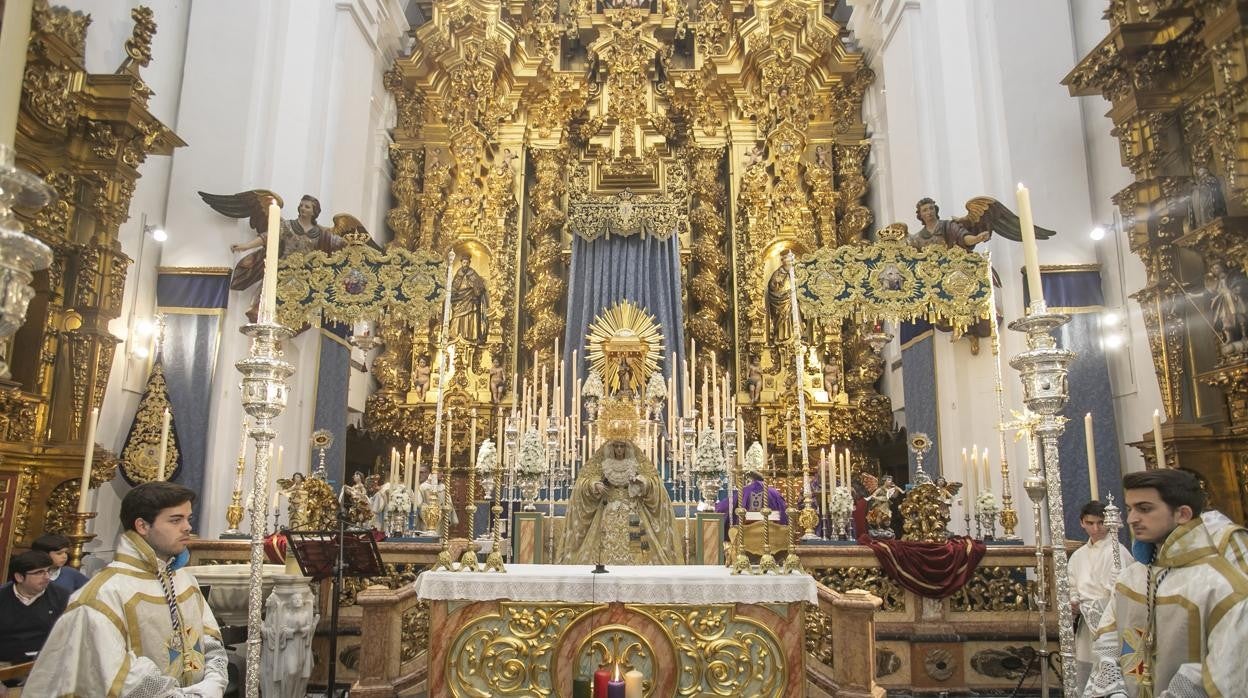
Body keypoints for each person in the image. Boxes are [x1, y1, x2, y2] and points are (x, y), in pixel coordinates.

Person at [24, 482, 228, 696]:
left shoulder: (185, 581)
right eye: (175, 520)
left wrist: (214, 682)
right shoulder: (104, 593)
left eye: (188, 518)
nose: (187, 527)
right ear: (142, 526)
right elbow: (117, 675)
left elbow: (209, 640)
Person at [1085, 469, 1248, 698]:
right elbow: (1108, 639)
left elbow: (1227, 673)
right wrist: (1115, 691)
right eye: (1130, 508)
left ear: (1182, 513)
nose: (1131, 519)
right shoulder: (1131, 578)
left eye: (1145, 508)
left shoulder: (1221, 587)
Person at [558, 438, 683, 565]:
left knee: (635, 541)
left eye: (621, 446)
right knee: (607, 539)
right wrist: (594, 484)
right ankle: (605, 562)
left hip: (632, 510)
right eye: (616, 446)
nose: (619, 449)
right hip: (609, 510)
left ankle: (635, 564)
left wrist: (641, 482)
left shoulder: (634, 463)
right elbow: (586, 479)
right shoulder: (605, 463)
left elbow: (653, 482)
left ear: (626, 448)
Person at [1068, 500, 1131, 694]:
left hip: (1111, 624)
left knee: (1111, 671)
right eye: (1090, 523)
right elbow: (1071, 585)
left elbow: (1124, 591)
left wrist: (1092, 605)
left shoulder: (1118, 552)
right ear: (1082, 523)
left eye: (1100, 522)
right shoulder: (1078, 556)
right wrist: (1073, 602)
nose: (1096, 528)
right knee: (1086, 668)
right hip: (1086, 625)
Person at [0, 550, 69, 665]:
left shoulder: (62, 597)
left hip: (46, 665)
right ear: (19, 577)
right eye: (39, 573)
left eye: (48, 571)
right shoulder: (2, 597)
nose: (47, 577)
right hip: (5, 664)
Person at [716, 469, 788, 537]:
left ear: (750, 479)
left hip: (746, 537)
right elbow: (783, 513)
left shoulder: (744, 491)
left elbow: (724, 506)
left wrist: (715, 506)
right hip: (772, 536)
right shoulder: (774, 492)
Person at [910, 198, 989, 250]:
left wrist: (976, 239)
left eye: (931, 208)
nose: (929, 212)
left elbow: (962, 237)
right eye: (925, 210)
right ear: (920, 215)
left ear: (935, 210)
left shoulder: (949, 226)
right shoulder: (917, 238)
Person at [450, 255, 488, 344]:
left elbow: (479, 286)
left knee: (471, 314)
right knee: (456, 316)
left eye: (467, 263)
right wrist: (453, 292)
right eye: (464, 263)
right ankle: (454, 335)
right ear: (461, 263)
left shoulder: (473, 273)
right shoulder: (458, 273)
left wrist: (475, 289)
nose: (465, 264)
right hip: (459, 298)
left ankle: (471, 336)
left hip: (470, 297)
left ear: (469, 263)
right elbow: (454, 286)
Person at [765, 254, 798, 345]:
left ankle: (795, 336)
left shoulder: (795, 272)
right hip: (780, 300)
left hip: (792, 299)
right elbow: (771, 287)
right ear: (783, 261)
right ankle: (781, 337)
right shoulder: (777, 272)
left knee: (793, 315)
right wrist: (776, 282)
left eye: (791, 260)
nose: (789, 262)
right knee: (782, 317)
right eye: (787, 260)